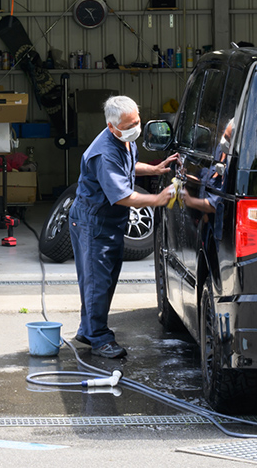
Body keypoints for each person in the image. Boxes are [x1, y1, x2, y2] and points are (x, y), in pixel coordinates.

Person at [69, 95, 178, 358]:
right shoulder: (104, 153)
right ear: (111, 126)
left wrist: (153, 170)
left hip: (108, 220)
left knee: (102, 279)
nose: (135, 129)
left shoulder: (124, 140)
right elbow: (121, 196)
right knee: (97, 280)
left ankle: (88, 329)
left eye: (137, 122)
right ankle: (98, 338)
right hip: (94, 222)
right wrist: (157, 199)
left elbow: (127, 168)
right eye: (129, 126)